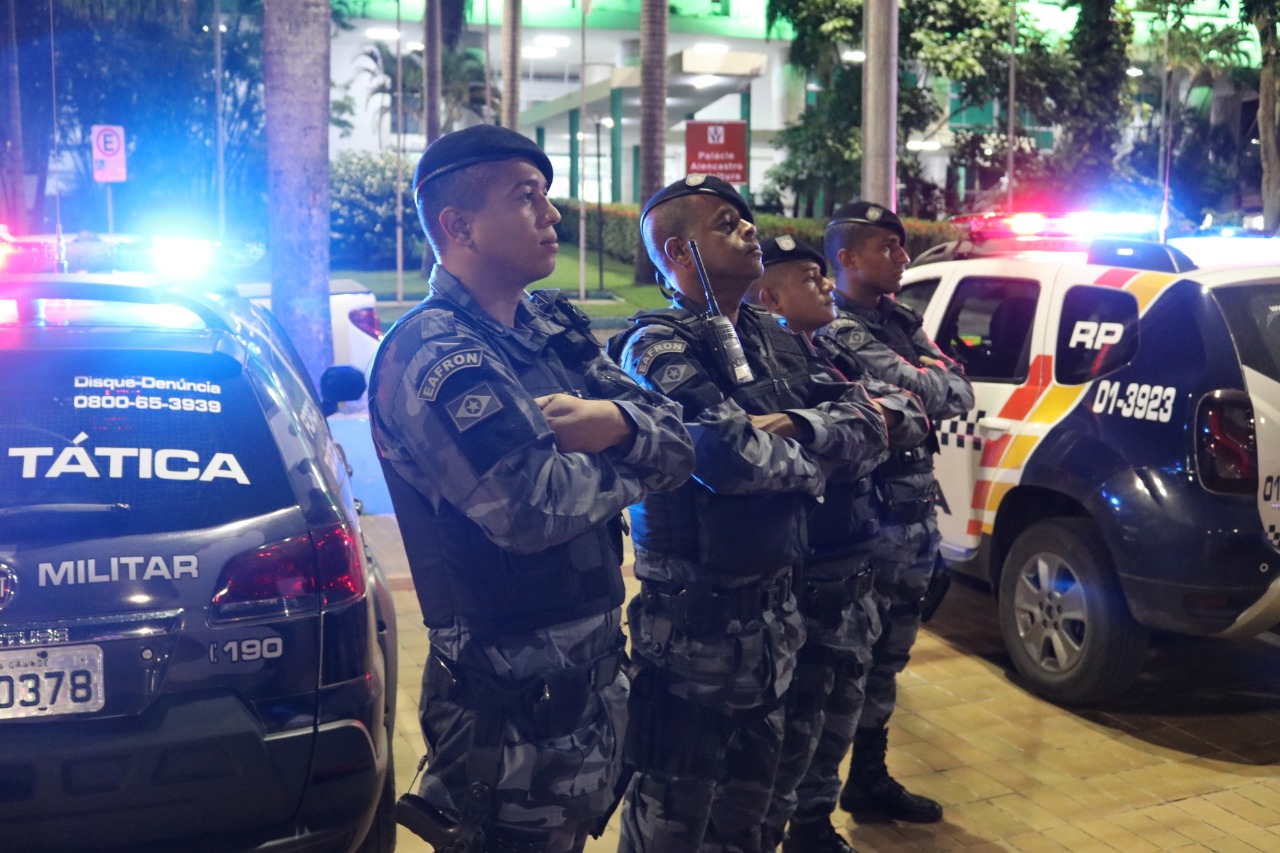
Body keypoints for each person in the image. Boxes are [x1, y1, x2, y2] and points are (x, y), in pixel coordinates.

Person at [368, 124, 696, 853]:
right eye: (527, 197)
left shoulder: (552, 326)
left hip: (587, 690)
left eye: (546, 196)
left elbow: (680, 440)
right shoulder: (435, 351)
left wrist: (611, 419)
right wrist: (631, 443)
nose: (552, 215)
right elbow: (531, 507)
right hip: (506, 719)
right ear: (458, 225)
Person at [609, 176, 894, 853]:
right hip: (693, 638)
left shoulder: (777, 335)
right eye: (725, 222)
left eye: (746, 218)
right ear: (678, 251)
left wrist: (793, 425)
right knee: (673, 827)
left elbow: (871, 424)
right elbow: (723, 456)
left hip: (778, 626)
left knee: (754, 824)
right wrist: (817, 460)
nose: (748, 230)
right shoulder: (655, 346)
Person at [748, 236, 927, 853]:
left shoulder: (827, 358)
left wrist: (818, 430)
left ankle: (816, 831)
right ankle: (791, 832)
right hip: (803, 581)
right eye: (809, 278)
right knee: (792, 735)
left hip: (856, 570)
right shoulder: (760, 370)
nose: (827, 286)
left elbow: (907, 412)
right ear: (770, 297)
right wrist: (848, 435)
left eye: (825, 275)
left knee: (837, 719)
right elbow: (762, 456)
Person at [820, 201, 975, 825]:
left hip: (912, 518)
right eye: (887, 247)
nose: (903, 257)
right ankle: (813, 808)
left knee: (890, 656)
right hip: (867, 519)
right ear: (848, 258)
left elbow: (955, 390)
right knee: (848, 664)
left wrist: (926, 379)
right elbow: (929, 390)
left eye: (902, 246)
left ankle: (869, 778)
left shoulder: (899, 319)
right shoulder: (835, 327)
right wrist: (927, 380)